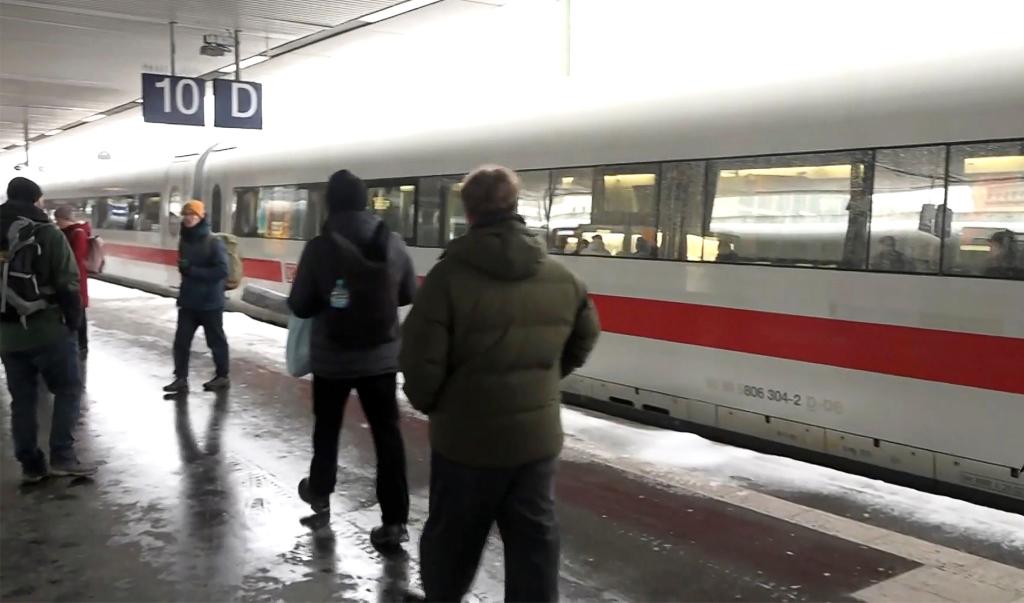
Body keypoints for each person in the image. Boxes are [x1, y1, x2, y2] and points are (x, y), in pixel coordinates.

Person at [400, 165, 600, 602]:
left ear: (468, 212)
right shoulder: (563, 278)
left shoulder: (447, 278)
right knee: (534, 544)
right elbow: (585, 336)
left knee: (453, 539)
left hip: (466, 442)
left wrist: (436, 403)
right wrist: (543, 382)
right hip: (535, 441)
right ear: (515, 206)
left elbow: (418, 361)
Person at [288, 170, 416, 549]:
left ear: (330, 203)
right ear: (365, 201)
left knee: (326, 430)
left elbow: (300, 303)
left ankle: (321, 494)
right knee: (388, 437)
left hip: (333, 359)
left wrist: (333, 300)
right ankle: (395, 521)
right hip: (380, 358)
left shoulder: (319, 246)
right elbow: (408, 292)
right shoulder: (392, 242)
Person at [1, 177, 95, 481]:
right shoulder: (47, 233)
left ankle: (30, 465)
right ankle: (63, 456)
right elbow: (69, 284)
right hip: (48, 330)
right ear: (35, 199)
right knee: (68, 389)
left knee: (23, 400)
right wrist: (73, 323)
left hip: (7, 335)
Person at [163, 200, 230, 393]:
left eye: (192, 215)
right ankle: (180, 378)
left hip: (210, 303)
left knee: (215, 341)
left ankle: (222, 376)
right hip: (189, 301)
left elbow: (221, 271)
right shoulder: (184, 240)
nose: (188, 218)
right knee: (181, 342)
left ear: (201, 217)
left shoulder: (213, 242)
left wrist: (192, 271)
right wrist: (184, 269)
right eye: (186, 215)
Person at [53, 206, 91, 355]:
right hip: (71, 279)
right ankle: (77, 343)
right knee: (75, 310)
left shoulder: (78, 233)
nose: (57, 224)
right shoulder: (66, 233)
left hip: (77, 279)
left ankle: (82, 345)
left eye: (58, 220)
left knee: (79, 310)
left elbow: (76, 258)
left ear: (64, 219)